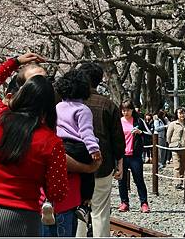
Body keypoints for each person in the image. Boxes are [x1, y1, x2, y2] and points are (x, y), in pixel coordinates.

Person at [0, 53, 68, 236]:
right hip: (20, 216)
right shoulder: (52, 143)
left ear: (22, 95)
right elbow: (57, 193)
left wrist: (16, 62)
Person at [78, 61, 125, 238]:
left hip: (76, 166)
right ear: (99, 80)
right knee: (101, 211)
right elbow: (117, 139)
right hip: (102, 166)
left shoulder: (70, 103)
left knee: (78, 211)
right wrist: (120, 161)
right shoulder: (108, 105)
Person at [52, 69, 101, 224]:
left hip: (61, 145)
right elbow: (86, 132)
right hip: (79, 147)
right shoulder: (83, 109)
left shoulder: (58, 106)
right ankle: (85, 203)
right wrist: (94, 149)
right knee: (88, 173)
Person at [117, 100, 151, 213]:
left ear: (132, 110)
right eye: (123, 110)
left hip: (135, 155)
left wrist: (140, 132)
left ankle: (144, 203)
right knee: (122, 180)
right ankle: (124, 202)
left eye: (127, 110)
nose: (125, 112)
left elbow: (149, 135)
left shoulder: (138, 121)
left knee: (139, 179)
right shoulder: (118, 121)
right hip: (122, 155)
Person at [167, 107, 185, 190]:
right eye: (180, 113)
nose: (182, 115)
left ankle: (181, 180)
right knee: (177, 166)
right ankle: (177, 182)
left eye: (183, 113)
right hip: (175, 147)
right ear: (177, 114)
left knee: (183, 166)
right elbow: (168, 136)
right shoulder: (173, 124)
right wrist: (171, 143)